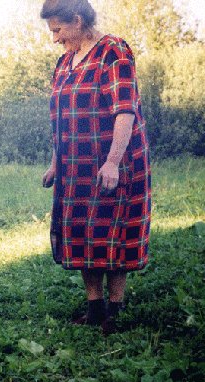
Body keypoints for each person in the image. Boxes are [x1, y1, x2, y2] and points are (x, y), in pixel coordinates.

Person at [40, 0, 151, 334]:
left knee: (114, 234)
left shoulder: (113, 51)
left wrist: (113, 162)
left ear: (77, 20)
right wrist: (55, 163)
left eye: (58, 30)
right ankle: (94, 307)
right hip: (76, 166)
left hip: (113, 162)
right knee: (83, 235)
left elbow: (125, 109)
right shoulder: (64, 63)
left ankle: (115, 314)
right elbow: (62, 117)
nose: (55, 39)